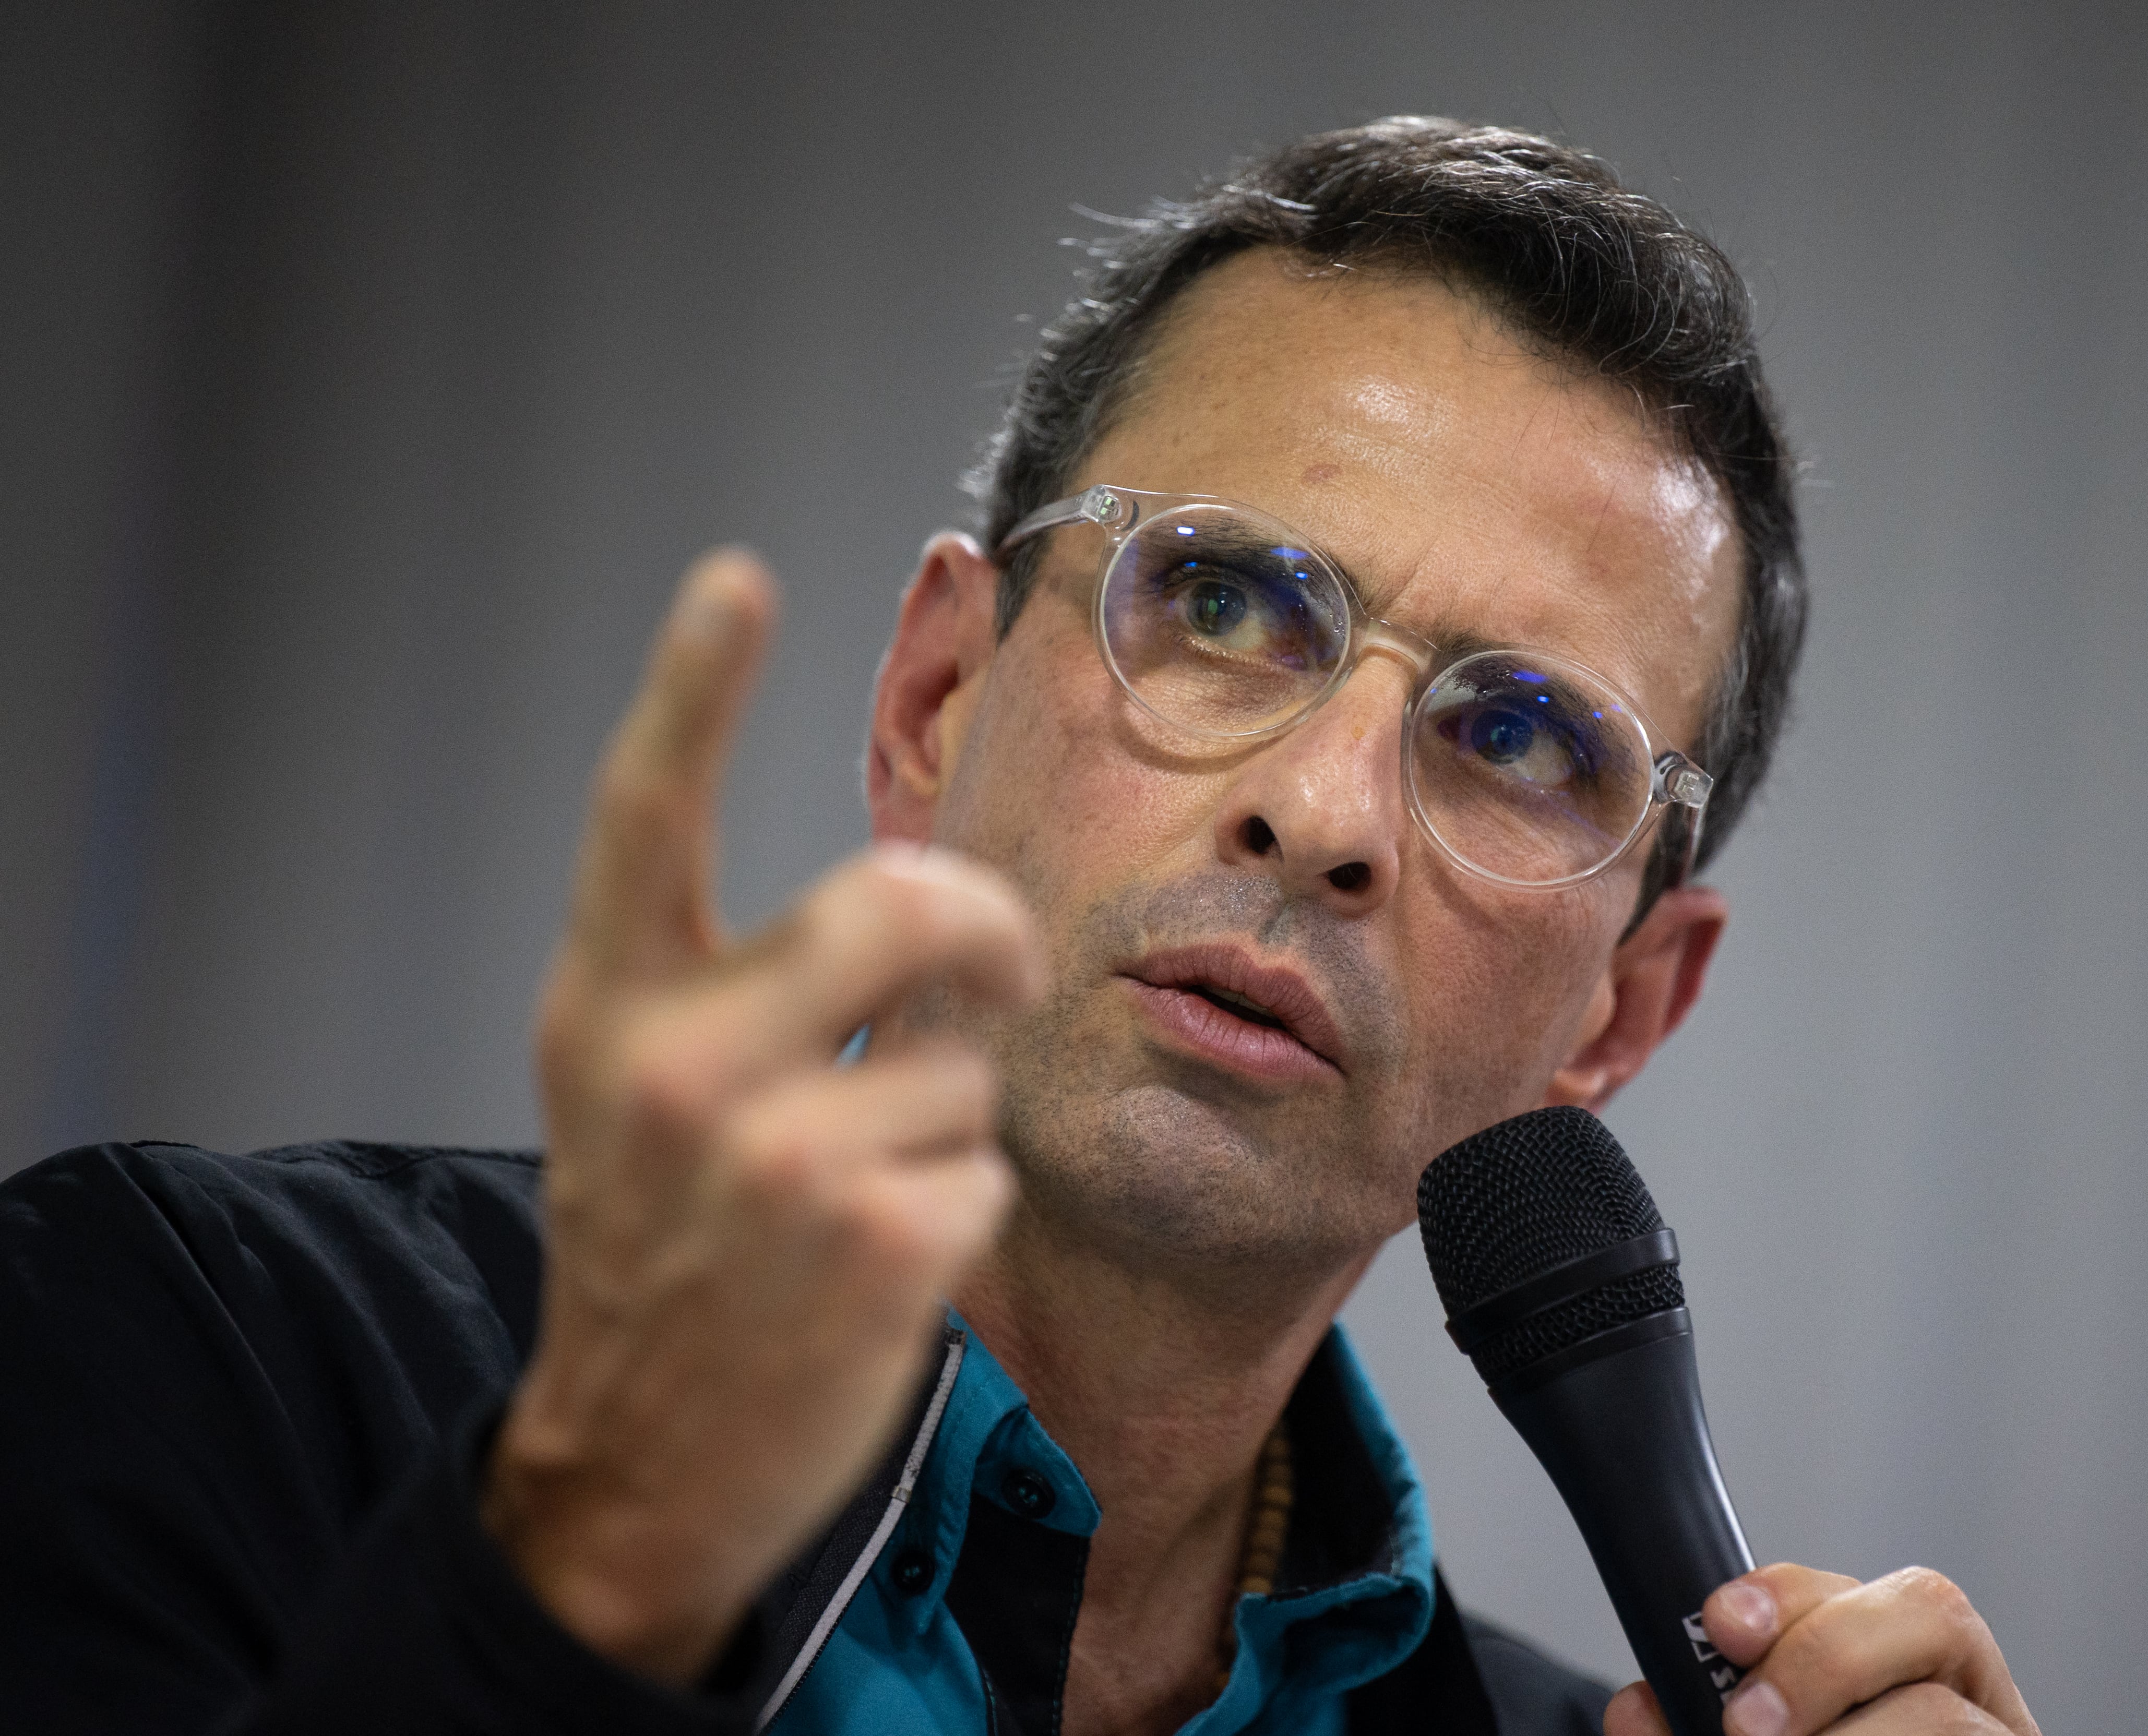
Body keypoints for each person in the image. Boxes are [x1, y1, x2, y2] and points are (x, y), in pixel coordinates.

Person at [0, 118, 2040, 1736]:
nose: (1321, 810)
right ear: (931, 703)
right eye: (1228, 604)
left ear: (1621, 1009)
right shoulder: (175, 1351)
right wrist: (579, 1579)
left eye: (1516, 735)